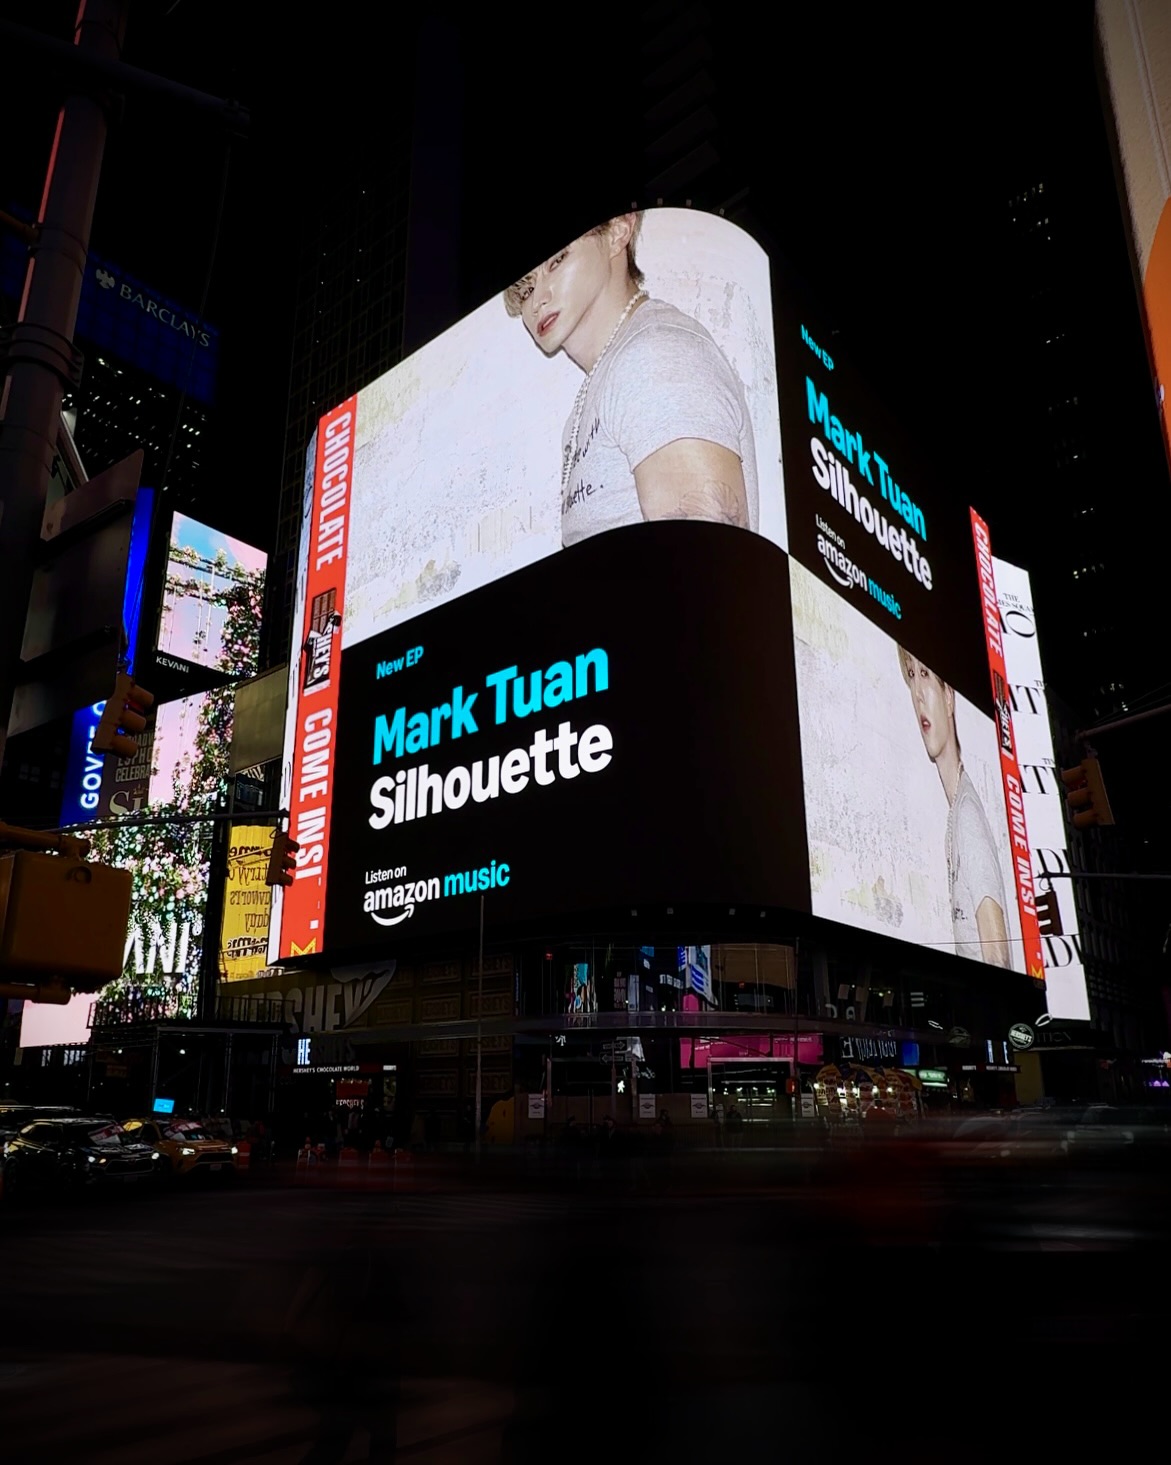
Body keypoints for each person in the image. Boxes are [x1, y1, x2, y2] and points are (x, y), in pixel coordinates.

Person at [503, 213, 759, 546]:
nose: (538, 300)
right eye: (526, 289)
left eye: (557, 261)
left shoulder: (654, 355)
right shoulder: (600, 389)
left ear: (618, 230)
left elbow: (710, 561)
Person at [899, 647, 1011, 967]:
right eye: (911, 675)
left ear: (949, 697)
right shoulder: (957, 812)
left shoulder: (968, 819)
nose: (917, 693)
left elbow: (998, 958)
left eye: (925, 675)